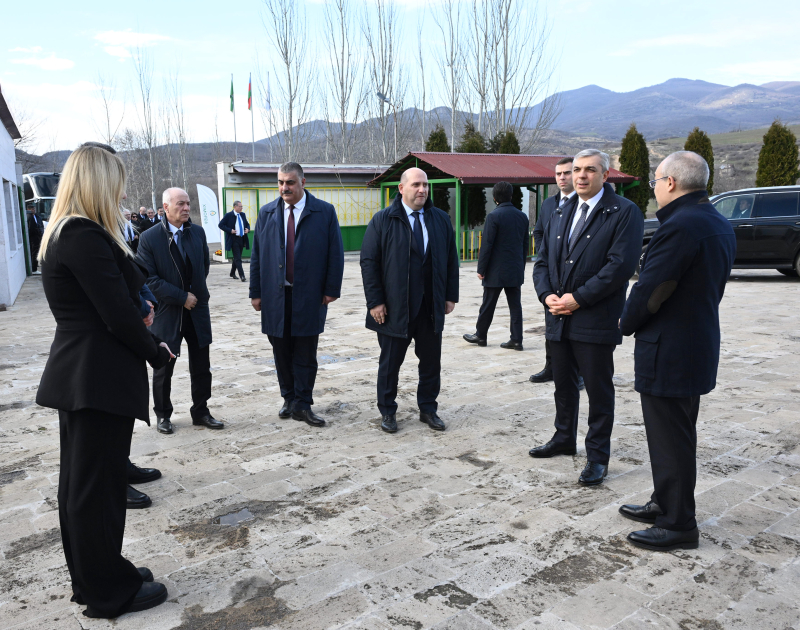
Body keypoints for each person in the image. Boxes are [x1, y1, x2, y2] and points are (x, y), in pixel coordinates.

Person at [35, 143, 172, 618]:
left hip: (86, 375)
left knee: (87, 486)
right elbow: (115, 315)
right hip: (95, 375)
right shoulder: (83, 236)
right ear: (96, 182)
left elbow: (122, 290)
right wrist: (156, 352)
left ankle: (101, 574)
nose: (121, 190)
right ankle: (107, 591)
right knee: (95, 492)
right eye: (115, 180)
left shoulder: (73, 233)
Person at [619, 151, 735, 551]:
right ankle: (664, 502)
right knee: (675, 434)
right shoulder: (715, 220)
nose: (653, 188)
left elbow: (653, 290)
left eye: (655, 180)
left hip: (669, 349)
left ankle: (678, 523)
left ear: (670, 182)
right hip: (694, 344)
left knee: (672, 439)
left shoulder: (680, 226)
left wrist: (624, 322)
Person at [530, 149, 644, 486]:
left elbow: (620, 267)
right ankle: (564, 438)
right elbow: (542, 260)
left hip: (594, 318)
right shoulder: (561, 211)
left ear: (605, 175)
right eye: (576, 169)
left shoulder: (624, 212)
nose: (580, 176)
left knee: (598, 390)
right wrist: (546, 294)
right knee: (563, 385)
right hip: (558, 317)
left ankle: (597, 456)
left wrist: (578, 299)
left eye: (589, 170)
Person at [360, 167, 459, 434]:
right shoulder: (383, 220)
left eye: (425, 185)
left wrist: (450, 296)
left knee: (430, 363)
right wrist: (375, 301)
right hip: (394, 308)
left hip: (430, 307)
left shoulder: (439, 219)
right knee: (390, 363)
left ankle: (428, 409)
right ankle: (388, 411)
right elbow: (369, 262)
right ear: (401, 189)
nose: (422, 190)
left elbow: (451, 259)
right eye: (416, 185)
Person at [249, 163, 344, 427]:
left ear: (303, 181)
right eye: (280, 182)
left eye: (289, 182)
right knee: (280, 351)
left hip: (310, 295)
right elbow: (257, 256)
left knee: (305, 352)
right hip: (273, 296)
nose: (284, 188)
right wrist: (255, 292)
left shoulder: (324, 212)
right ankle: (288, 398)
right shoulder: (267, 212)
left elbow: (335, 254)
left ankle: (303, 403)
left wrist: (330, 289)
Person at [137, 188, 223, 434]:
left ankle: (201, 411)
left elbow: (203, 267)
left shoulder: (197, 233)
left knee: (201, 365)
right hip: (167, 312)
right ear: (165, 208)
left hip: (197, 311)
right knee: (164, 366)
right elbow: (148, 279)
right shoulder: (150, 238)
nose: (186, 208)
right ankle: (163, 415)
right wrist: (181, 297)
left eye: (188, 203)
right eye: (180, 204)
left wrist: (194, 295)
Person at [530, 158, 583, 390]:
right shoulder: (548, 204)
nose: (562, 177)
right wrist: (547, 255)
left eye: (567, 173)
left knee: (575, 328)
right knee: (551, 323)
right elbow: (539, 232)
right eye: (558, 174)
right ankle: (551, 366)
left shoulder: (583, 206)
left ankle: (578, 372)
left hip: (575, 277)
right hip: (551, 276)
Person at [463, 181, 529, 350]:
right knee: (515, 306)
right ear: (511, 196)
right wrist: (520, 267)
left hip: (495, 270)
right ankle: (517, 340)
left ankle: (481, 335)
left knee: (488, 304)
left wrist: (481, 268)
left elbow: (487, 245)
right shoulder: (522, 216)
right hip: (514, 269)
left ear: (494, 197)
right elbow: (524, 245)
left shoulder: (494, 216)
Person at [219, 200, 250, 281]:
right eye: (240, 206)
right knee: (238, 258)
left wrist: (248, 229)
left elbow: (247, 224)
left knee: (237, 257)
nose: (241, 208)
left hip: (242, 238)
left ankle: (232, 273)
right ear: (235, 207)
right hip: (233, 239)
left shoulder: (242, 214)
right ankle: (242, 276)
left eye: (242, 206)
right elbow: (221, 225)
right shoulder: (229, 215)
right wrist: (230, 230)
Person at [26, 202, 44, 273]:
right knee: (34, 252)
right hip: (33, 238)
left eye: (34, 208)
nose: (34, 210)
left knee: (38, 251)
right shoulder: (28, 217)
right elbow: (30, 228)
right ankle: (34, 269)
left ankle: (36, 266)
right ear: (28, 209)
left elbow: (41, 226)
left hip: (39, 237)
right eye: (32, 209)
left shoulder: (38, 217)